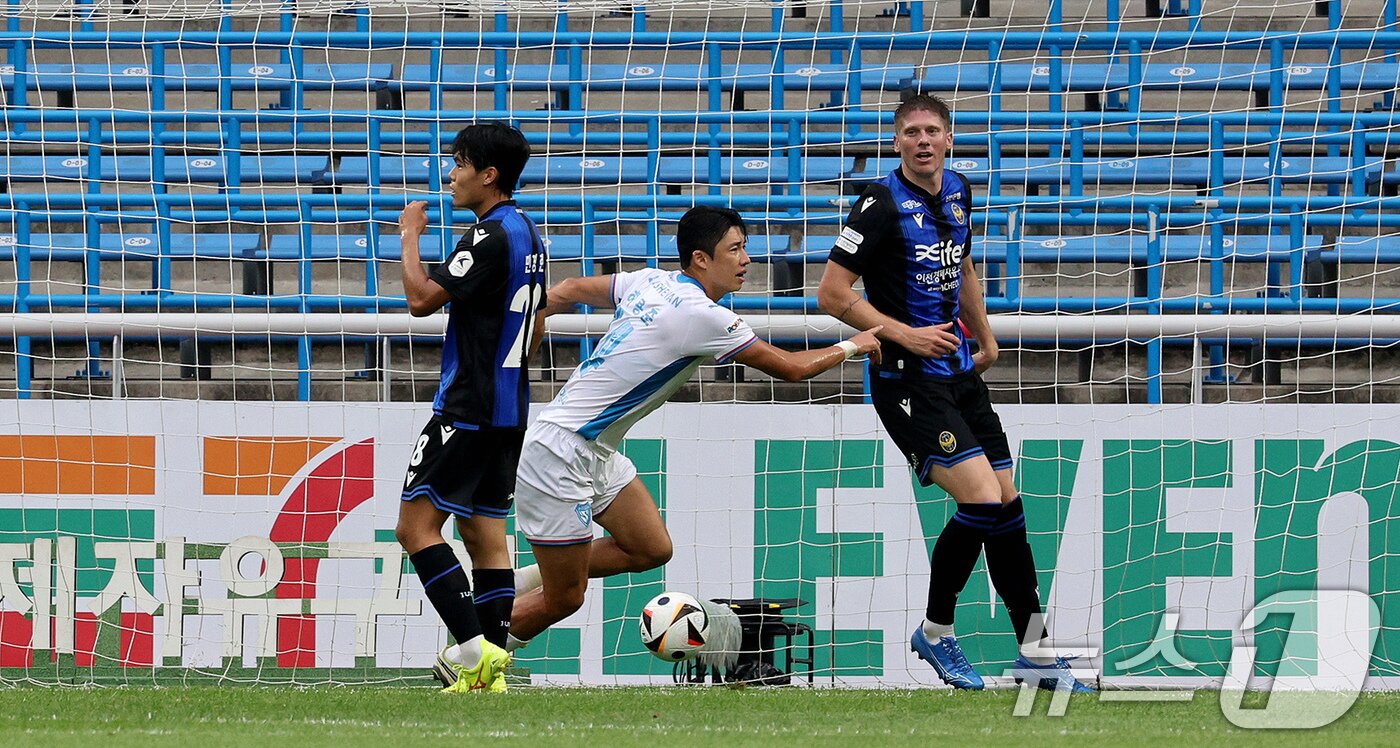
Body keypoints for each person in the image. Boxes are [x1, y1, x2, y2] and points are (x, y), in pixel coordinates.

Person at [504, 205, 882, 651]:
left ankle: (525, 577)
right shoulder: (703, 315)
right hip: (561, 452)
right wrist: (853, 343)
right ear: (701, 259)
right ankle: (471, 649)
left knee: (649, 548)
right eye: (735, 249)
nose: (746, 260)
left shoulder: (649, 280)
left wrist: (533, 326)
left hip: (592, 449)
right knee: (565, 597)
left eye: (747, 248)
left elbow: (564, 289)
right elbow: (792, 370)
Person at [816, 94, 1091, 692]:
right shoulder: (878, 206)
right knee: (984, 501)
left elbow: (961, 267)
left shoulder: (960, 190)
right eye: (911, 131)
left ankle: (1037, 653)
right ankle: (937, 632)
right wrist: (905, 335)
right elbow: (833, 294)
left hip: (959, 373)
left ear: (948, 139)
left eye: (932, 131)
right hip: (906, 381)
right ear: (896, 143)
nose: (922, 140)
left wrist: (985, 335)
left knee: (1008, 506)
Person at [393, 122, 546, 693]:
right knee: (485, 536)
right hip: (509, 411)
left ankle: (472, 653)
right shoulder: (529, 232)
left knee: (415, 528)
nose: (449, 175)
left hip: (467, 409)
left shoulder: (489, 235)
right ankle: (490, 671)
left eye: (459, 164)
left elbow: (419, 300)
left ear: (489, 175)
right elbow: (533, 327)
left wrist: (410, 236)